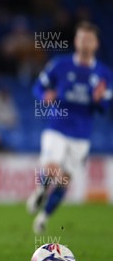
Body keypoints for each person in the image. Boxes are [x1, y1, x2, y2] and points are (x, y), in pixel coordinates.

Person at [27, 21, 112, 234]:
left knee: (65, 180)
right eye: (81, 38)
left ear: (96, 44)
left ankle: (43, 216)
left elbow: (104, 108)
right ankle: (41, 189)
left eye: (89, 39)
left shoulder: (104, 74)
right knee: (51, 168)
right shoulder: (60, 64)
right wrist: (44, 95)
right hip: (57, 126)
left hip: (81, 134)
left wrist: (98, 100)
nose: (85, 42)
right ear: (76, 40)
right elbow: (38, 87)